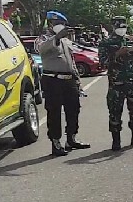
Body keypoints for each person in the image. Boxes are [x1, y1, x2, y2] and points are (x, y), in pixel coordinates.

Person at [36, 11, 91, 156]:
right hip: (53, 80)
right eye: (56, 24)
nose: (60, 26)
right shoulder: (44, 39)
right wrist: (56, 37)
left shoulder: (66, 41)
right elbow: (40, 50)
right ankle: (56, 142)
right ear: (50, 24)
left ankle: (71, 138)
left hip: (69, 80)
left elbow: (70, 61)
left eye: (61, 24)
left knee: (73, 110)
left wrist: (77, 81)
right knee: (54, 113)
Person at [98, 16, 133, 151]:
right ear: (114, 27)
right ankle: (116, 141)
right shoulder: (106, 42)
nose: (122, 29)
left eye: (124, 26)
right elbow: (102, 63)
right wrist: (117, 54)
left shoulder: (132, 39)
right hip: (116, 83)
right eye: (119, 27)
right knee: (115, 111)